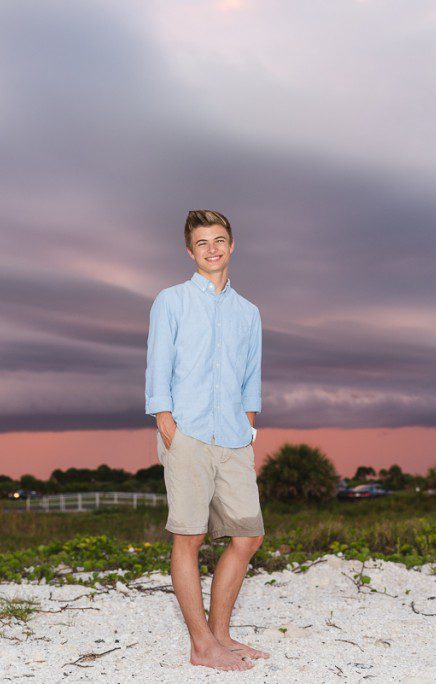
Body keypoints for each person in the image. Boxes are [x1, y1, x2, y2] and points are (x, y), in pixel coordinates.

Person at [144, 209, 268, 671]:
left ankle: (220, 634)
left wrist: (249, 423)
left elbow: (251, 377)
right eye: (202, 243)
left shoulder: (248, 312)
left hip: (235, 437)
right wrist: (167, 425)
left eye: (219, 240)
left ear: (231, 245)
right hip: (189, 433)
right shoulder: (171, 301)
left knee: (249, 535)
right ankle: (200, 645)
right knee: (190, 535)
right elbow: (158, 370)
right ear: (190, 251)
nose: (212, 249)